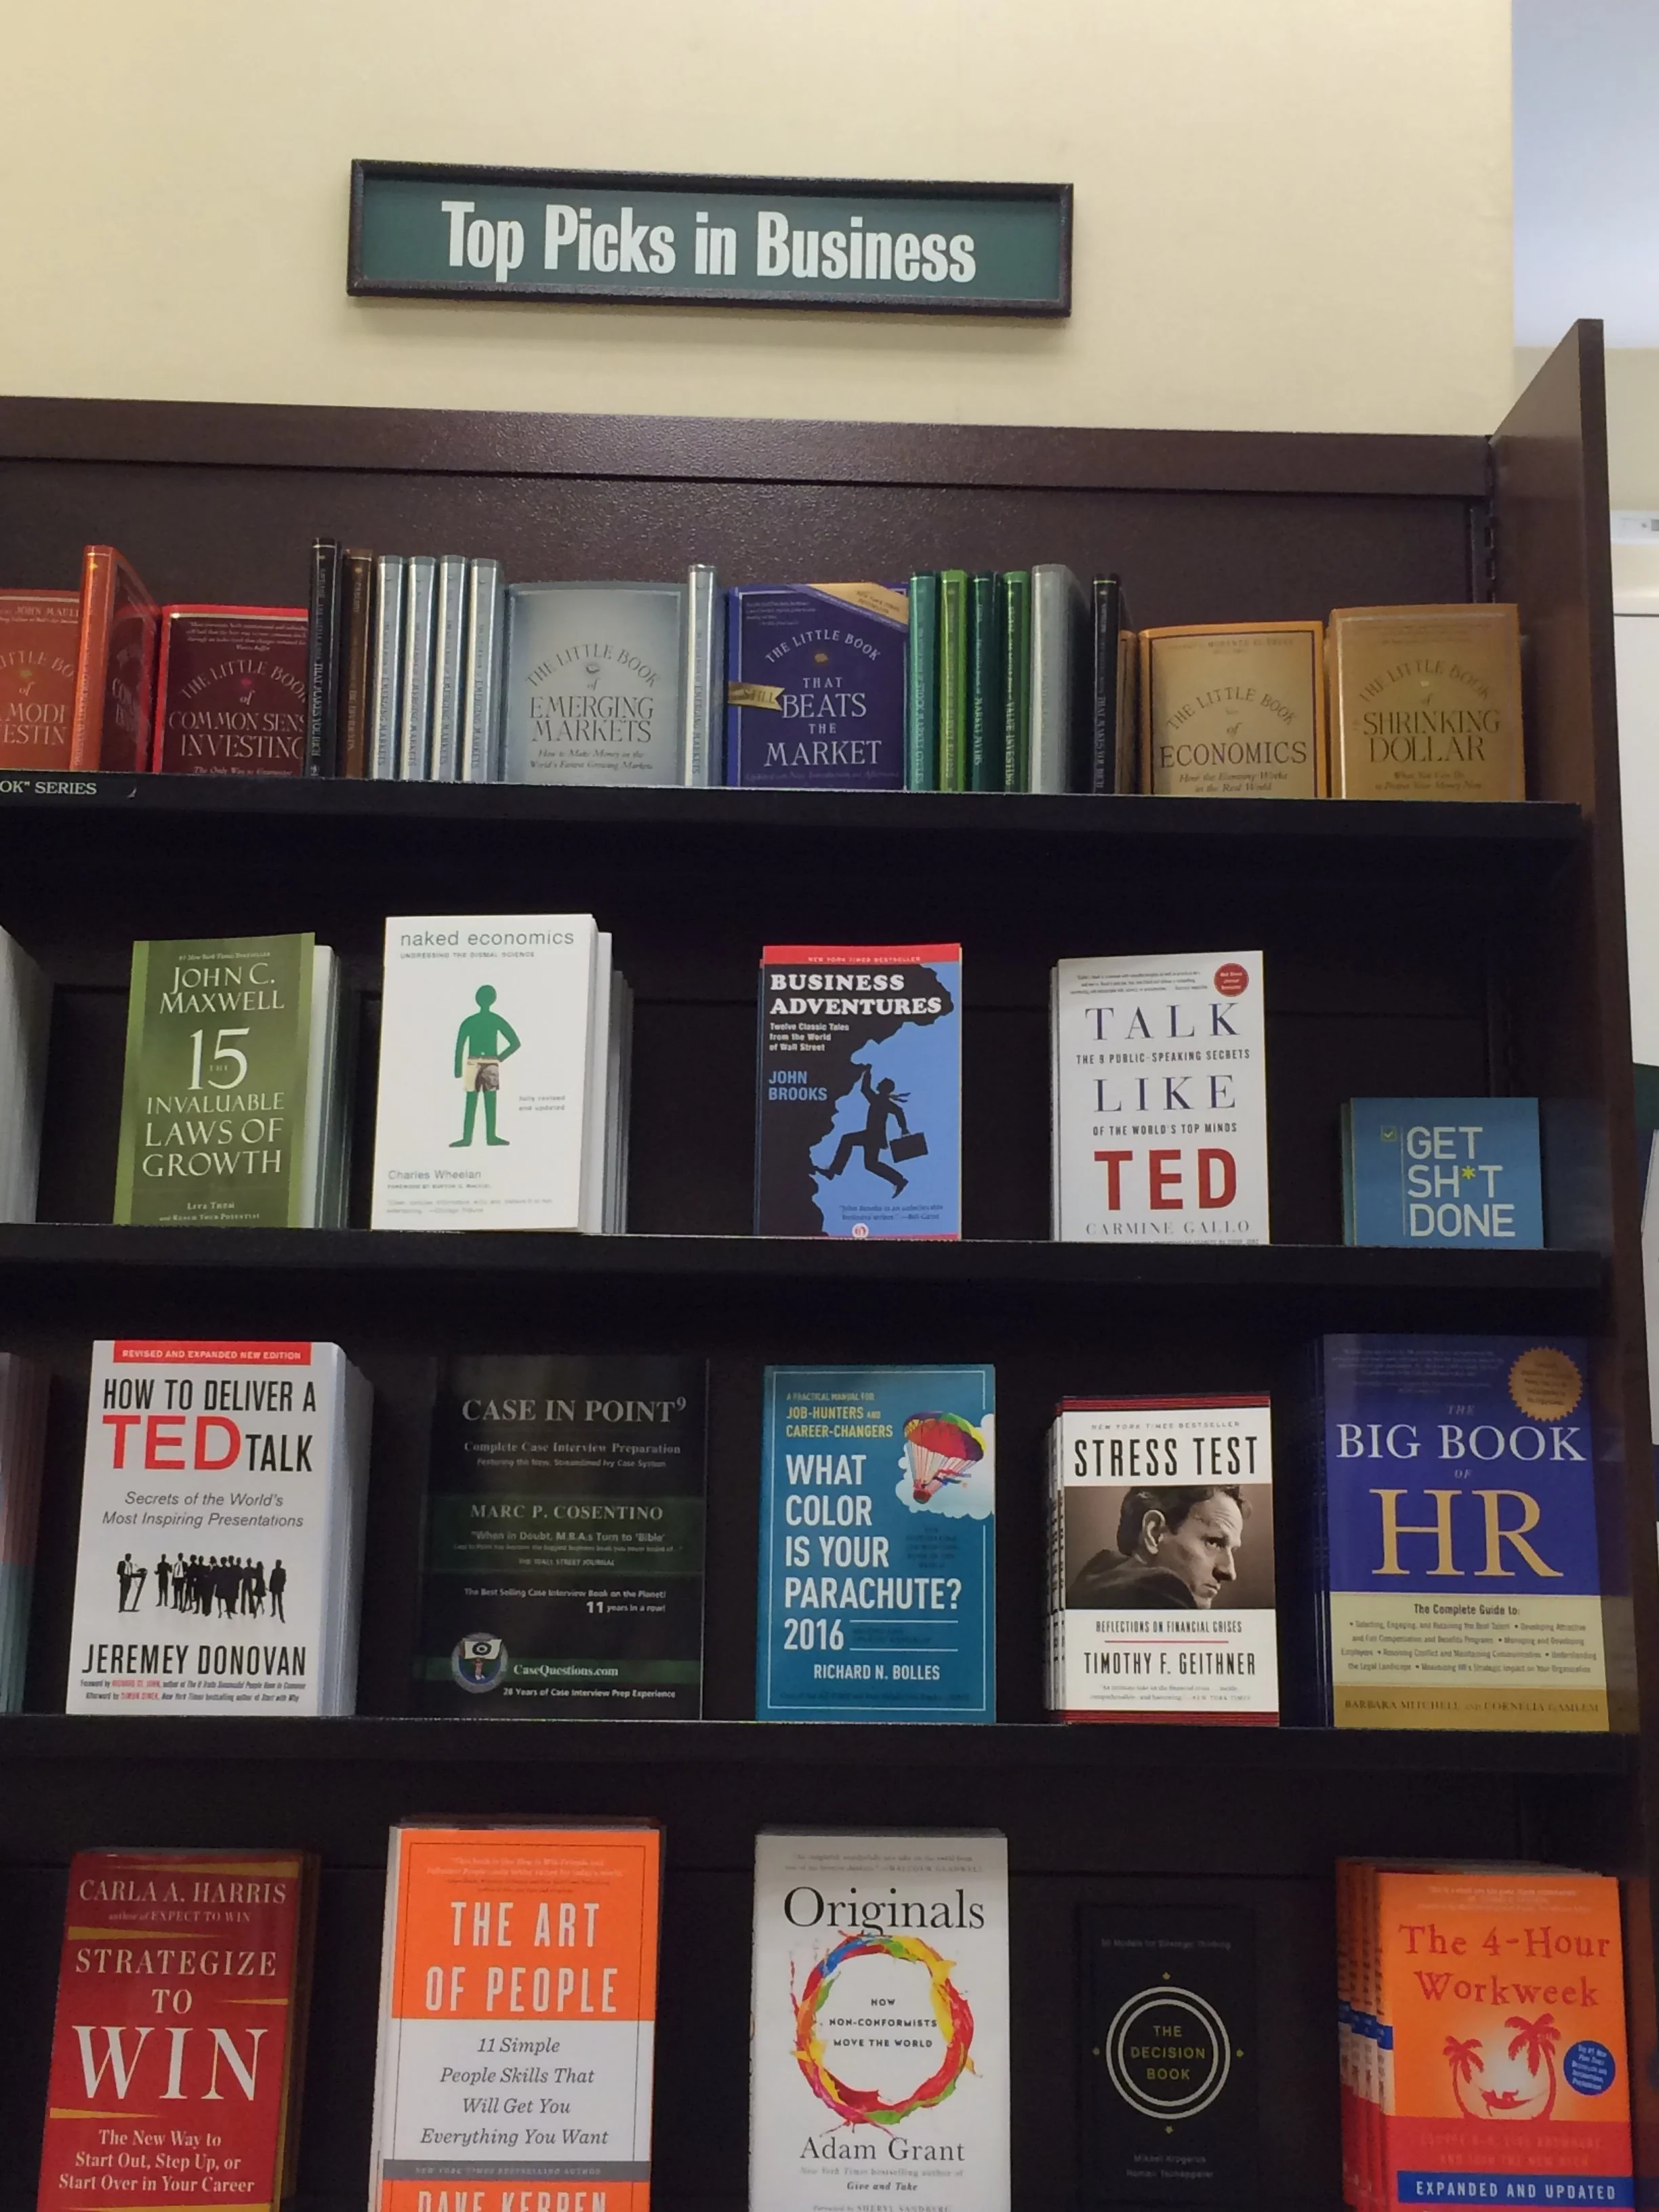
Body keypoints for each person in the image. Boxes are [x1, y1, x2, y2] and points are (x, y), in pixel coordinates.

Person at [1067, 1485, 1248, 1610]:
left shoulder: (1096, 1584)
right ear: (1154, 1533)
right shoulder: (1160, 1593)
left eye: (1232, 1550)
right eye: (1214, 1542)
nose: (1230, 1572)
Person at [816, 1063, 911, 1195]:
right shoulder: (883, 1101)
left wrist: (867, 1073)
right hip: (874, 1136)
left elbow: (865, 1089)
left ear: (883, 1088)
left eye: (880, 1084)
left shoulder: (878, 1100)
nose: (878, 1085)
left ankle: (833, 1171)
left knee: (847, 1140)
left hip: (872, 1136)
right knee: (871, 1164)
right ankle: (899, 1181)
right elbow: (899, 1112)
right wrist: (903, 1128)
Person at [451, 985, 520, 1147]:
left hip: (483, 1063)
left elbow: (515, 1043)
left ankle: (481, 1137)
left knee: (484, 1100)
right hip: (482, 1062)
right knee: (479, 1100)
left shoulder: (472, 1021)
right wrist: (499, 1058)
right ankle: (477, 1138)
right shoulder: (488, 1020)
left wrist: (499, 1058)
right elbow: (460, 1045)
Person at [268, 1558, 287, 1622]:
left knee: (279, 1602)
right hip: (276, 1588)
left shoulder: (280, 1571)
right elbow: (272, 1579)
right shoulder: (276, 1571)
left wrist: (281, 1586)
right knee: (276, 1602)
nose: (276, 1564)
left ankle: (281, 1616)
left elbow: (284, 1580)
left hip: (277, 1588)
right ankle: (276, 1613)